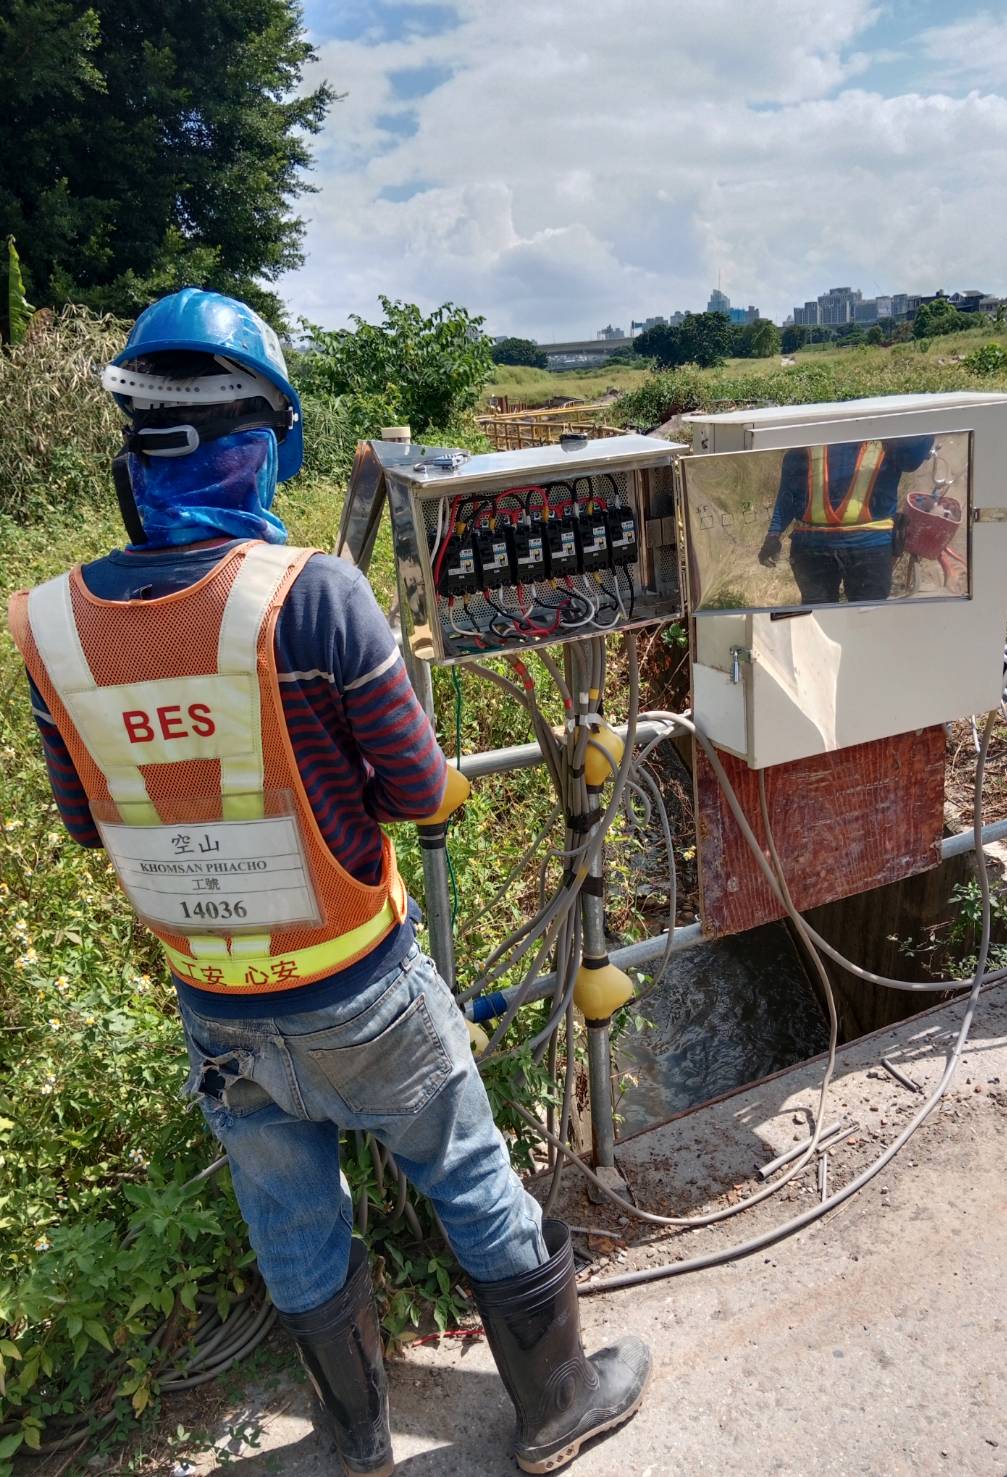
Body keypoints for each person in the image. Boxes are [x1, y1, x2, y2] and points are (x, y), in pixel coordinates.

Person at [7, 288, 649, 1477]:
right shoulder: (312, 594)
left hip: (215, 1006)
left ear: (130, 449)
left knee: (290, 1219)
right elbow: (414, 788)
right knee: (466, 1169)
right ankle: (558, 1403)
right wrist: (449, 792)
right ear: (275, 441)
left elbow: (89, 825)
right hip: (362, 990)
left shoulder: (45, 624)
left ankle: (355, 1435)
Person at [758, 436, 934, 604]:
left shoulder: (887, 431)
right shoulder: (808, 437)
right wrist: (773, 534)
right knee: (818, 619)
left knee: (869, 619)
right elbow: (788, 493)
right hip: (814, 548)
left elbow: (912, 458)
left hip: (870, 546)